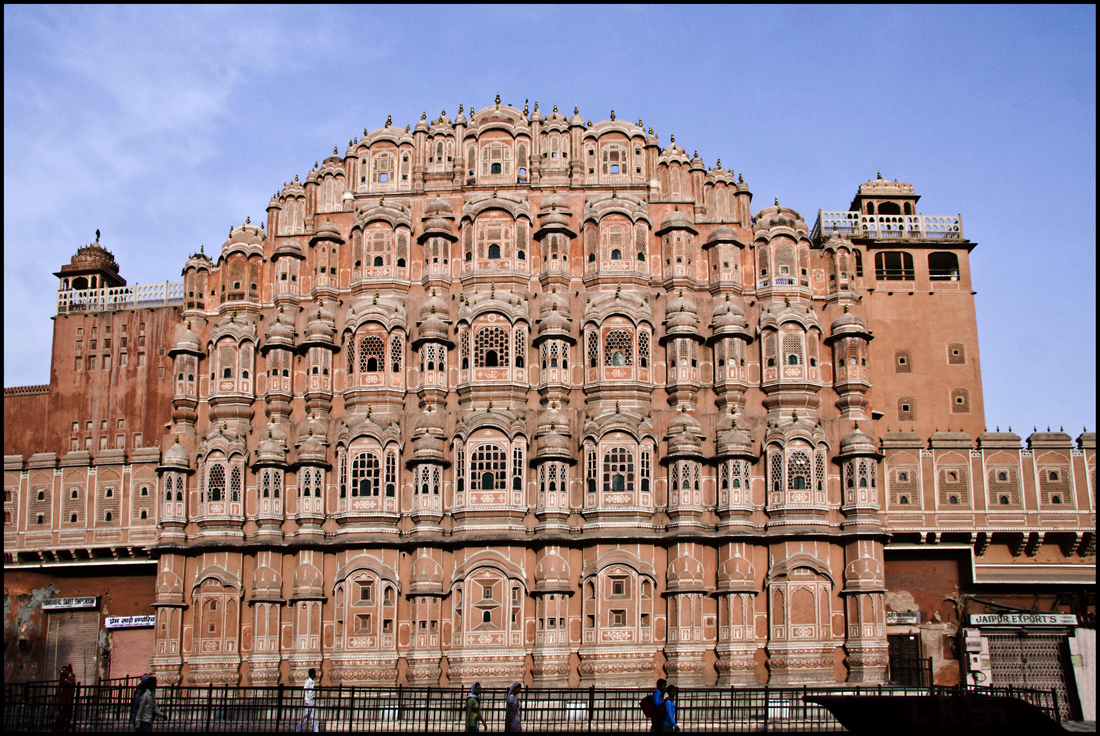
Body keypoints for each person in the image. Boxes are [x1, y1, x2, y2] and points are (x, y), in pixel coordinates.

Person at [53, 664, 77, 732]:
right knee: (60, 711)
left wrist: (66, 680)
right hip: (62, 696)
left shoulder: (71, 675)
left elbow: (72, 682)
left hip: (68, 696)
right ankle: (59, 725)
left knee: (67, 711)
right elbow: (60, 685)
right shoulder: (63, 677)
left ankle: (64, 726)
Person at [295, 668, 318, 732]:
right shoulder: (308, 682)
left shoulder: (312, 682)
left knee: (314, 717)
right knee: (305, 717)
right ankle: (298, 729)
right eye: (314, 673)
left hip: (311, 700)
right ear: (312, 674)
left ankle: (316, 730)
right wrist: (306, 701)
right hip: (308, 701)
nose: (315, 674)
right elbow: (305, 691)